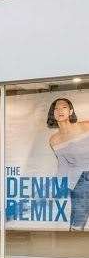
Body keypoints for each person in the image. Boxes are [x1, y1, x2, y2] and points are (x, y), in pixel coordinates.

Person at [47, 98, 89, 231]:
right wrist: (59, 186)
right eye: (56, 108)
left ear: (71, 111)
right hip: (78, 180)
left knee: (77, 221)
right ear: (53, 114)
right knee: (76, 221)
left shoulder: (86, 126)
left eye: (64, 107)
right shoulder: (54, 139)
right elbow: (64, 165)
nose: (60, 110)